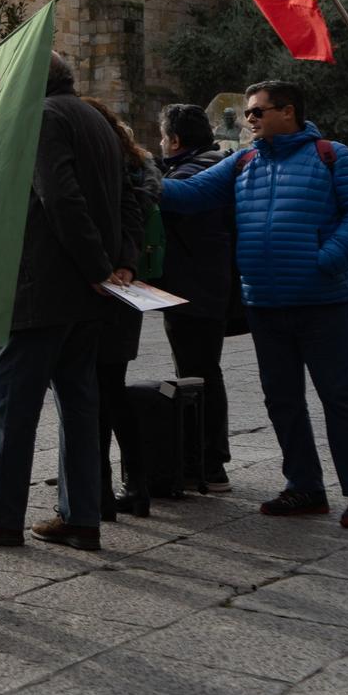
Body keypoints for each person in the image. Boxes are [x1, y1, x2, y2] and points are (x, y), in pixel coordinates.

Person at [160, 79, 348, 529]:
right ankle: (304, 486)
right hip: (265, 303)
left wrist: (325, 259)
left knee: (339, 398)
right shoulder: (243, 161)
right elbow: (187, 196)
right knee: (282, 400)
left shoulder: (331, 155)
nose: (250, 120)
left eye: (258, 112)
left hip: (324, 302)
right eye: (248, 112)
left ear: (289, 112)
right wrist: (138, 168)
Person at [0, 53, 136, 554]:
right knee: (79, 406)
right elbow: (126, 198)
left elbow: (60, 198)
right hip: (88, 293)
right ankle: (81, 517)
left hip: (45, 286)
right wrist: (119, 263)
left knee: (13, 403)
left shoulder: (41, 116)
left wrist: (99, 264)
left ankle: (0, 515)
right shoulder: (95, 119)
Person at [85, 97, 161, 522]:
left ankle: (99, 490)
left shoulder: (104, 171)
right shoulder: (137, 167)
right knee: (113, 390)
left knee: (92, 396)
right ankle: (138, 484)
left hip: (102, 289)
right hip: (127, 289)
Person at [157, 103, 237, 493]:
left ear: (174, 139)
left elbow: (174, 196)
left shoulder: (196, 169)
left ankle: (208, 462)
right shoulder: (207, 161)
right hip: (202, 285)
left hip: (195, 288)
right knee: (202, 371)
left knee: (199, 374)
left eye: (161, 137)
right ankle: (204, 459)